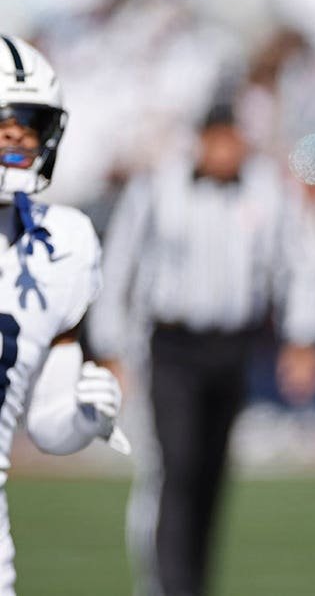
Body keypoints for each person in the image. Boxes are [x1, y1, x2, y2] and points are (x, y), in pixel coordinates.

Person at [88, 101, 315, 596]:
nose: (223, 151)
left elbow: (301, 263)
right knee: (176, 467)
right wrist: (110, 346)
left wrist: (301, 337)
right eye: (214, 139)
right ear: (199, 139)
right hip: (173, 346)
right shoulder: (156, 188)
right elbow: (119, 268)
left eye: (231, 139)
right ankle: (171, 586)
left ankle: (195, 583)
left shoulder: (270, 190)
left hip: (233, 347)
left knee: (211, 473)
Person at [0, 34, 127, 595]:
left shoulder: (64, 245)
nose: (18, 136)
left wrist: (84, 417)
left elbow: (47, 426)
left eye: (30, 120)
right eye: (3, 119)